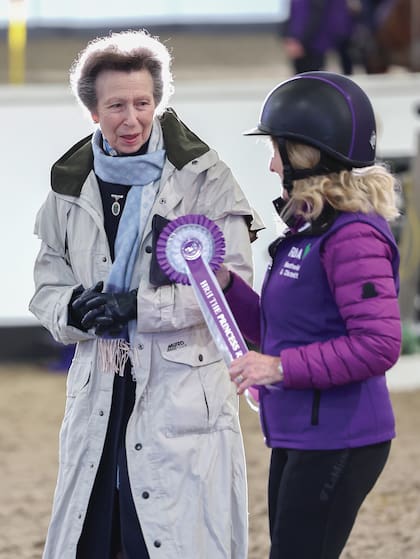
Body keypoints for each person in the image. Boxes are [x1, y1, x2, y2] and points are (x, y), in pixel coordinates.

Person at [29, 29, 260, 559]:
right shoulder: (69, 184)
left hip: (181, 390)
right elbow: (46, 284)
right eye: (115, 106)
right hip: (100, 391)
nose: (130, 118)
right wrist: (72, 310)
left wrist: (139, 307)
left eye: (142, 103)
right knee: (97, 538)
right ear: (92, 111)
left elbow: (235, 287)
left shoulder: (206, 178)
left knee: (169, 538)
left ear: (157, 102)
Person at [216, 71, 401, 558]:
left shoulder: (353, 237)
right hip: (302, 431)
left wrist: (278, 368)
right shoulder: (307, 236)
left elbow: (379, 345)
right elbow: (283, 329)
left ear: (306, 154)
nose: (272, 164)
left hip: (341, 437)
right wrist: (225, 286)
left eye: (276, 150)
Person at [283, 0, 355, 75]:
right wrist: (289, 39)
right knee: (300, 77)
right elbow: (291, 17)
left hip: (314, 44)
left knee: (313, 76)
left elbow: (316, 17)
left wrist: (301, 43)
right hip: (296, 42)